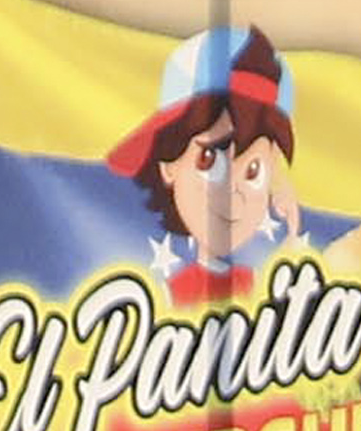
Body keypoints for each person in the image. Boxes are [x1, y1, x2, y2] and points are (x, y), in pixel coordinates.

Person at [114, 24, 304, 298]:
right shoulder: (170, 297)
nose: (231, 193)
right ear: (169, 165)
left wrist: (293, 234)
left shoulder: (258, 285)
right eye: (208, 160)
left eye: (253, 172)